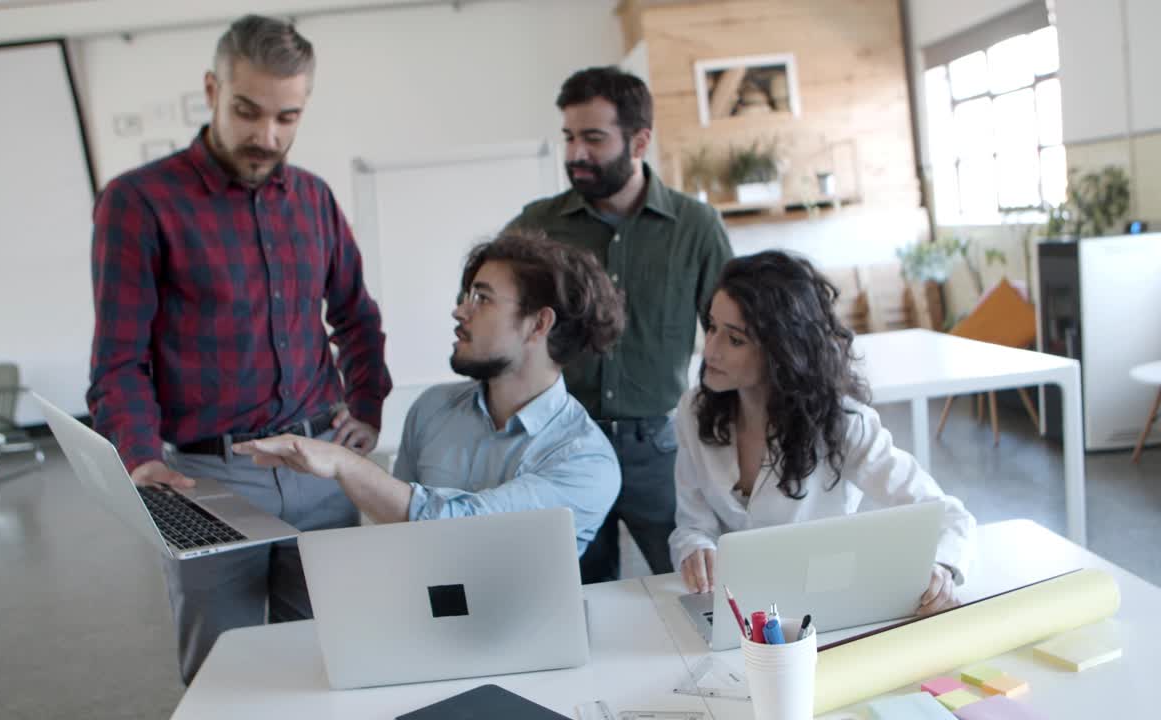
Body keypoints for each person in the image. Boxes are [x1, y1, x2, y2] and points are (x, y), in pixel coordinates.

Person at [87, 15, 391, 684]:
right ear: (211, 89)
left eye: (288, 117)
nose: (267, 136)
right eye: (247, 111)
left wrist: (366, 406)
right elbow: (119, 361)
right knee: (223, 678)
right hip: (206, 481)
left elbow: (357, 317)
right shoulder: (139, 203)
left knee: (333, 663)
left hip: (319, 471)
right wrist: (140, 459)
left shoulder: (312, 198)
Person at [234, 230, 624, 556]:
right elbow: (401, 538)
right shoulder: (433, 409)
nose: (459, 312)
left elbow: (464, 527)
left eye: (481, 298)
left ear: (539, 323)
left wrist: (344, 464)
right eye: (466, 296)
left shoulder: (587, 461)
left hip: (515, 636)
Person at [508, 66, 733, 583]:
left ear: (640, 140)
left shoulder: (696, 228)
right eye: (568, 137)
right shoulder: (537, 226)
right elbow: (485, 307)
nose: (575, 154)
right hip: (562, 445)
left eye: (593, 138)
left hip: (660, 448)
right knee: (573, 598)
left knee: (696, 589)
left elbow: (736, 333)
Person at [669, 251, 975, 616]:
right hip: (735, 612)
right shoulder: (694, 412)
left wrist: (941, 567)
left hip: (822, 610)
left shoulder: (844, 425)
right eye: (712, 327)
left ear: (781, 350)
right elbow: (692, 525)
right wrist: (695, 548)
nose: (711, 351)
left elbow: (949, 517)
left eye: (735, 340)